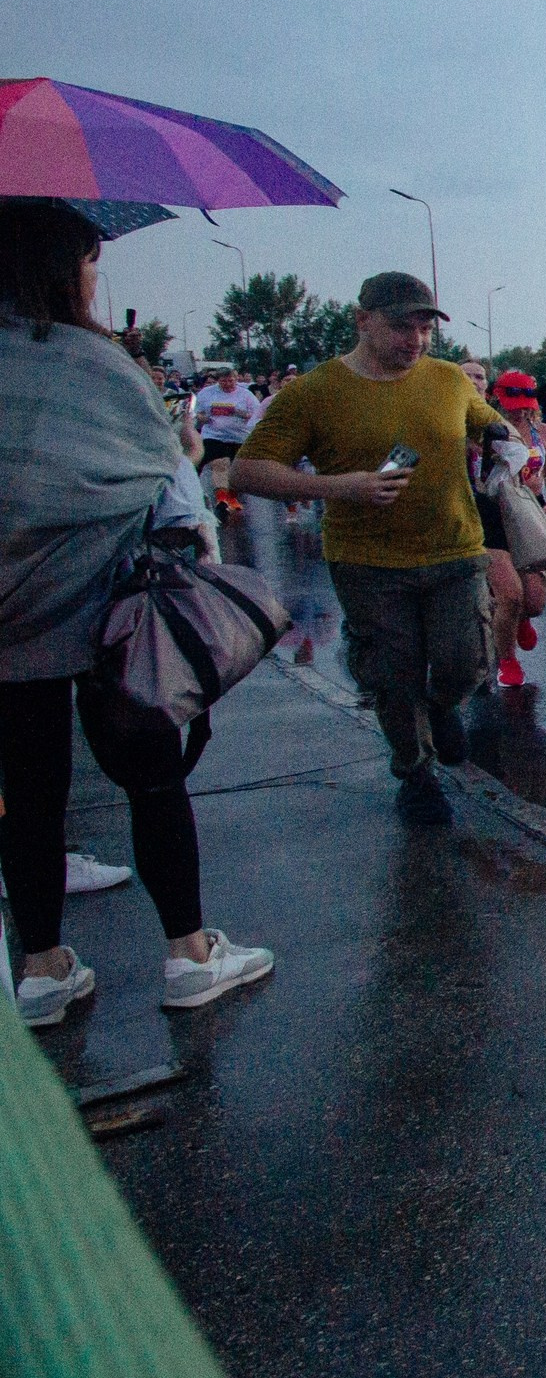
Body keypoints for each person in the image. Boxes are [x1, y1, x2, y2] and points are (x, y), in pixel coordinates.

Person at [1, 200, 274, 1024]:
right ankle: (189, 955)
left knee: (32, 791)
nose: (95, 273)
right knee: (154, 782)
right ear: (65, 268)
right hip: (108, 615)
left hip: (11, 630)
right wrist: (183, 453)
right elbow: (155, 477)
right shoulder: (98, 363)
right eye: (89, 259)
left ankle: (42, 969)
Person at [233, 271, 514, 824]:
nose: (416, 340)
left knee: (464, 662)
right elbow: (247, 470)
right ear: (361, 320)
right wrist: (338, 486)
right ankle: (415, 773)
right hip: (368, 562)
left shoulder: (449, 380)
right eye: (400, 326)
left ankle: (440, 706)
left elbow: (487, 422)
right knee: (393, 673)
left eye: (424, 328)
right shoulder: (315, 392)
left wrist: (506, 439)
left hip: (454, 549)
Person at [486, 370, 546, 689]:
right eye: (511, 403)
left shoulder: (544, 433)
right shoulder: (485, 429)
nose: (518, 410)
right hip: (490, 516)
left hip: (527, 516)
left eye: (524, 403)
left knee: (534, 602)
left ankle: (519, 619)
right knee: (510, 595)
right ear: (496, 399)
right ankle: (507, 660)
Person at [190, 364, 263, 518]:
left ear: (236, 379)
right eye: (224, 382)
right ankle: (221, 501)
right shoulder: (206, 393)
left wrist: (238, 412)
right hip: (214, 435)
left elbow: (256, 415)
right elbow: (198, 414)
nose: (228, 385)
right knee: (220, 463)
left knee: (237, 471)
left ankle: (232, 497)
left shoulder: (246, 395)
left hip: (239, 436)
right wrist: (203, 418)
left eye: (231, 381)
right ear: (218, 381)